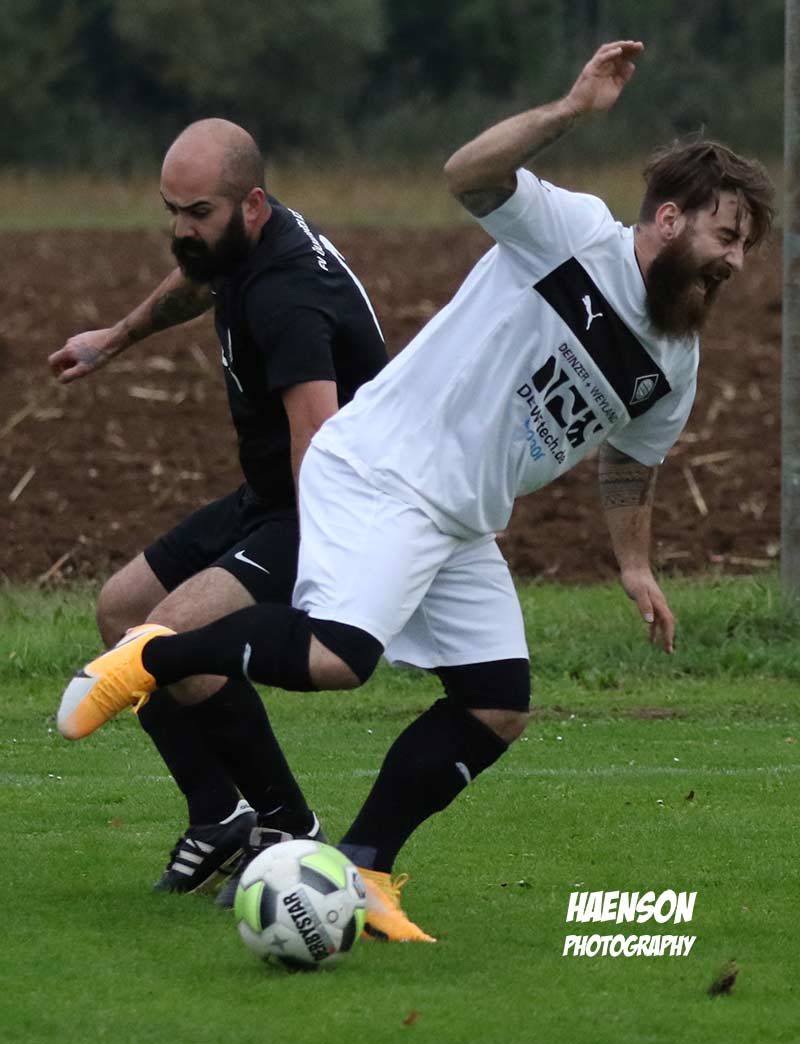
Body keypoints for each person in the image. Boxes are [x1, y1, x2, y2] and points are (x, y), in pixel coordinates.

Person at [57, 41, 775, 943]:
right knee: (338, 656)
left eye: (746, 247)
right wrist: (570, 110)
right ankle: (151, 659)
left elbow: (633, 462)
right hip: (387, 467)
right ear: (668, 219)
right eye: (725, 238)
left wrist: (635, 567)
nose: (735, 262)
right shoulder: (575, 236)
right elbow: (468, 174)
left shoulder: (675, 363)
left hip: (462, 519)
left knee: (497, 703)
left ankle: (364, 866)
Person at [49, 118, 387, 895]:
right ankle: (217, 815)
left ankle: (292, 829)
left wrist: (328, 569)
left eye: (197, 213)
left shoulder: (288, 295)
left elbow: (318, 439)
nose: (182, 230)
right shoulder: (243, 243)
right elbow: (197, 281)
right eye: (172, 211)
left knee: (174, 636)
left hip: (327, 502)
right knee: (122, 611)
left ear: (252, 204)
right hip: (269, 494)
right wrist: (114, 338)